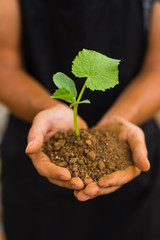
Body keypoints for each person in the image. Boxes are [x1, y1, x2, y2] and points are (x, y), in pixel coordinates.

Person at [0, 0, 160, 239]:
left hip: (127, 146)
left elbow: (157, 68)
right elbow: (4, 65)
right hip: (39, 146)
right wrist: (47, 107)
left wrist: (121, 117)